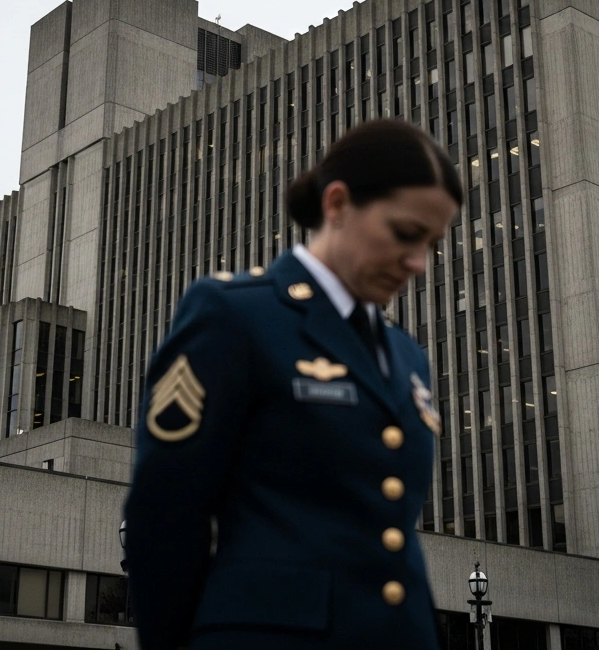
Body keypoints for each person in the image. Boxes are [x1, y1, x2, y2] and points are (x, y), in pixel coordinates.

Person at [124, 119, 462, 650]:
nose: (419, 263)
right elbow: (165, 514)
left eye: (433, 244)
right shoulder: (236, 315)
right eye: (405, 233)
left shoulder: (408, 356)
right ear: (337, 204)